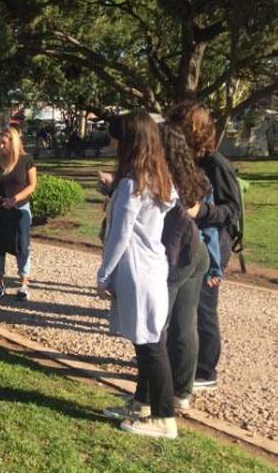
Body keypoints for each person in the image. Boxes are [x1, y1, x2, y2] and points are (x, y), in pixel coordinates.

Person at [97, 110, 179, 439]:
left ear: (129, 140)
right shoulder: (155, 176)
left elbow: (120, 235)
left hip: (137, 269)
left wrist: (103, 275)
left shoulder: (133, 182)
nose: (112, 142)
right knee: (144, 340)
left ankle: (164, 417)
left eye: (116, 136)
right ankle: (144, 402)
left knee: (151, 345)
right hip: (150, 267)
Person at [167, 101, 241, 391]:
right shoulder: (180, 161)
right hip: (183, 244)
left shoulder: (216, 163)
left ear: (194, 128)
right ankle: (180, 361)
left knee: (203, 310)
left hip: (211, 247)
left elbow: (232, 210)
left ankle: (204, 369)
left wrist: (202, 212)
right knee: (182, 308)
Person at [158, 123, 219, 410]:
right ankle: (182, 392)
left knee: (158, 324)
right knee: (185, 323)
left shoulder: (160, 177)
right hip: (197, 250)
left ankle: (153, 394)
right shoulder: (194, 174)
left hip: (175, 254)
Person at [0, 126, 37, 300]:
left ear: (13, 142)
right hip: (0, 209)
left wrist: (15, 198)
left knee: (22, 244)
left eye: (4, 143)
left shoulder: (26, 160)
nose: (1, 147)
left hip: (19, 209)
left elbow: (32, 185)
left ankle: (24, 284)